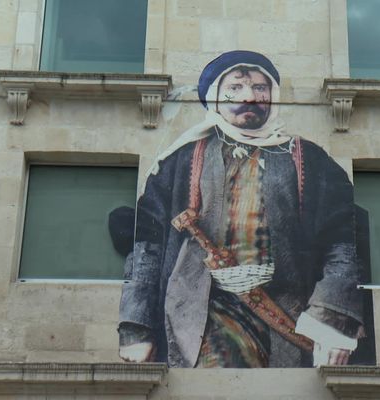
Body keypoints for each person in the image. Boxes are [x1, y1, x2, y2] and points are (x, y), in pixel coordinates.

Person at [118, 50, 366, 368]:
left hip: (292, 312)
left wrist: (334, 320)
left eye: (260, 88)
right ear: (215, 98)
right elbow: (146, 249)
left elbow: (342, 243)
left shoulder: (311, 160)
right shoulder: (178, 162)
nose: (249, 96)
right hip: (203, 312)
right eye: (235, 88)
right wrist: (136, 327)